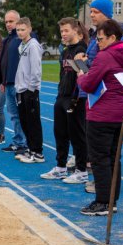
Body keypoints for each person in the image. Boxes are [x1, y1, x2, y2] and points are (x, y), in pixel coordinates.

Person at [74, 0, 123, 195]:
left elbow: (95, 75)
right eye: (90, 11)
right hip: (116, 107)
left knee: (102, 156)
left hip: (102, 106)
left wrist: (82, 72)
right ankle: (108, 195)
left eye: (96, 11)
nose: (91, 15)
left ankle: (103, 196)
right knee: (110, 155)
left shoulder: (111, 50)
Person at [40, 18, 89, 183]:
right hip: (62, 96)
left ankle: (81, 171)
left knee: (77, 135)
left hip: (75, 98)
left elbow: (85, 75)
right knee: (60, 133)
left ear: (76, 30)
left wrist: (76, 97)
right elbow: (64, 75)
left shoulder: (82, 49)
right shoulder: (65, 51)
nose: (63, 34)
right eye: (61, 31)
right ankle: (60, 167)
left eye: (66, 30)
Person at [14, 17, 44, 164]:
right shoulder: (22, 45)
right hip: (21, 88)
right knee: (24, 121)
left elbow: (36, 69)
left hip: (29, 89)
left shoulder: (33, 45)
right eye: (18, 30)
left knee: (33, 121)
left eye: (22, 29)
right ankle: (31, 148)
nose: (20, 32)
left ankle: (37, 152)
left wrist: (32, 88)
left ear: (29, 29)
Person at [0, 10, 27, 155]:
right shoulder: (7, 40)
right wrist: (2, 80)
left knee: (22, 114)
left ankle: (24, 142)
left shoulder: (24, 39)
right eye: (6, 22)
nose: (9, 24)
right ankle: (18, 142)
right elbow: (4, 63)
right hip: (8, 83)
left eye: (11, 21)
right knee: (14, 115)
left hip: (19, 84)